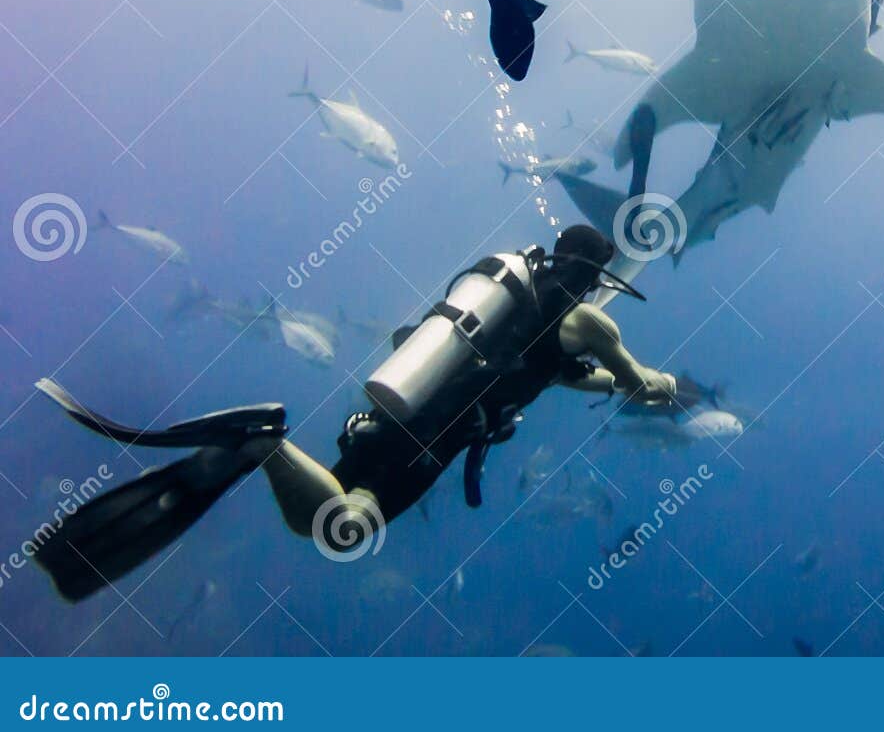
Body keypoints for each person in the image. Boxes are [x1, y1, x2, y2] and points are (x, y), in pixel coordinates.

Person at [32, 226, 682, 602]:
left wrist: (608, 387)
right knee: (339, 523)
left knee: (328, 514)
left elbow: (555, 375)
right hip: (433, 438)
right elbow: (635, 377)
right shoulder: (590, 320)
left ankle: (266, 449)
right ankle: (263, 443)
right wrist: (656, 382)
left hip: (400, 415)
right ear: (597, 278)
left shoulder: (530, 310)